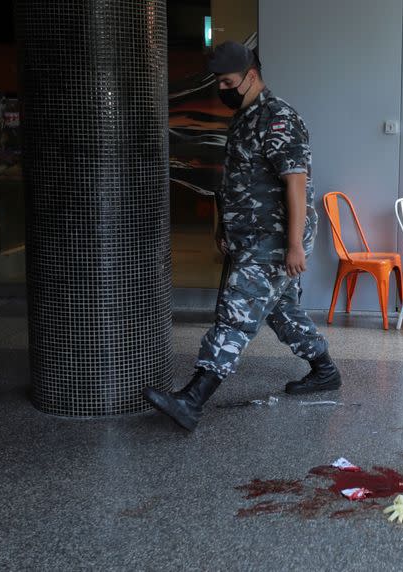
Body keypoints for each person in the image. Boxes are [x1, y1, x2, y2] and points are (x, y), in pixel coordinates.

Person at [143, 41, 340, 431]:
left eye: (229, 81)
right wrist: (224, 227)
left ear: (251, 76)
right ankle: (325, 370)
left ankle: (193, 399)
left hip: (274, 238)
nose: (223, 89)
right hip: (249, 237)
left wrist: (295, 244)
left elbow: (296, 184)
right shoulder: (244, 117)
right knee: (282, 312)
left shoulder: (278, 117)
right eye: (218, 82)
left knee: (235, 313)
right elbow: (235, 182)